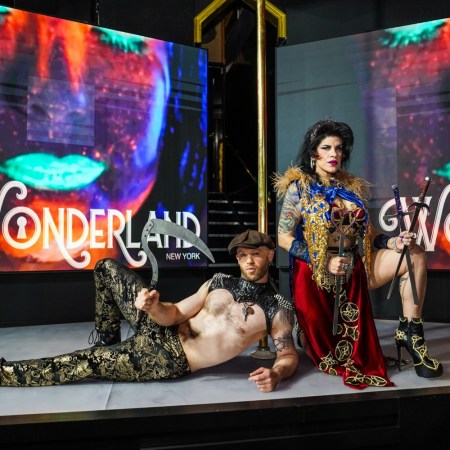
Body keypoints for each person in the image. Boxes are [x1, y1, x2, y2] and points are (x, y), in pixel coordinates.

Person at [0, 230, 299, 392]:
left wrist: (276, 374)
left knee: (86, 362)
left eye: (256, 255)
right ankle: (107, 341)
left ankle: (6, 374)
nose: (249, 261)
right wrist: (154, 307)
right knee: (105, 267)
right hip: (162, 327)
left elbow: (288, 356)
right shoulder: (219, 281)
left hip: (168, 358)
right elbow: (176, 312)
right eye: (243, 255)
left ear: (270, 256)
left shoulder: (278, 308)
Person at [273, 119, 443, 390]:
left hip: (353, 268)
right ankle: (303, 332)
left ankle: (411, 335)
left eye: (339, 148)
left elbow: (370, 234)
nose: (334, 154)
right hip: (316, 274)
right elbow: (284, 237)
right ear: (313, 152)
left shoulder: (352, 188)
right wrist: (324, 261)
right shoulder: (299, 188)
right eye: (326, 148)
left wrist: (394, 241)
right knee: (327, 350)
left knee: (414, 253)